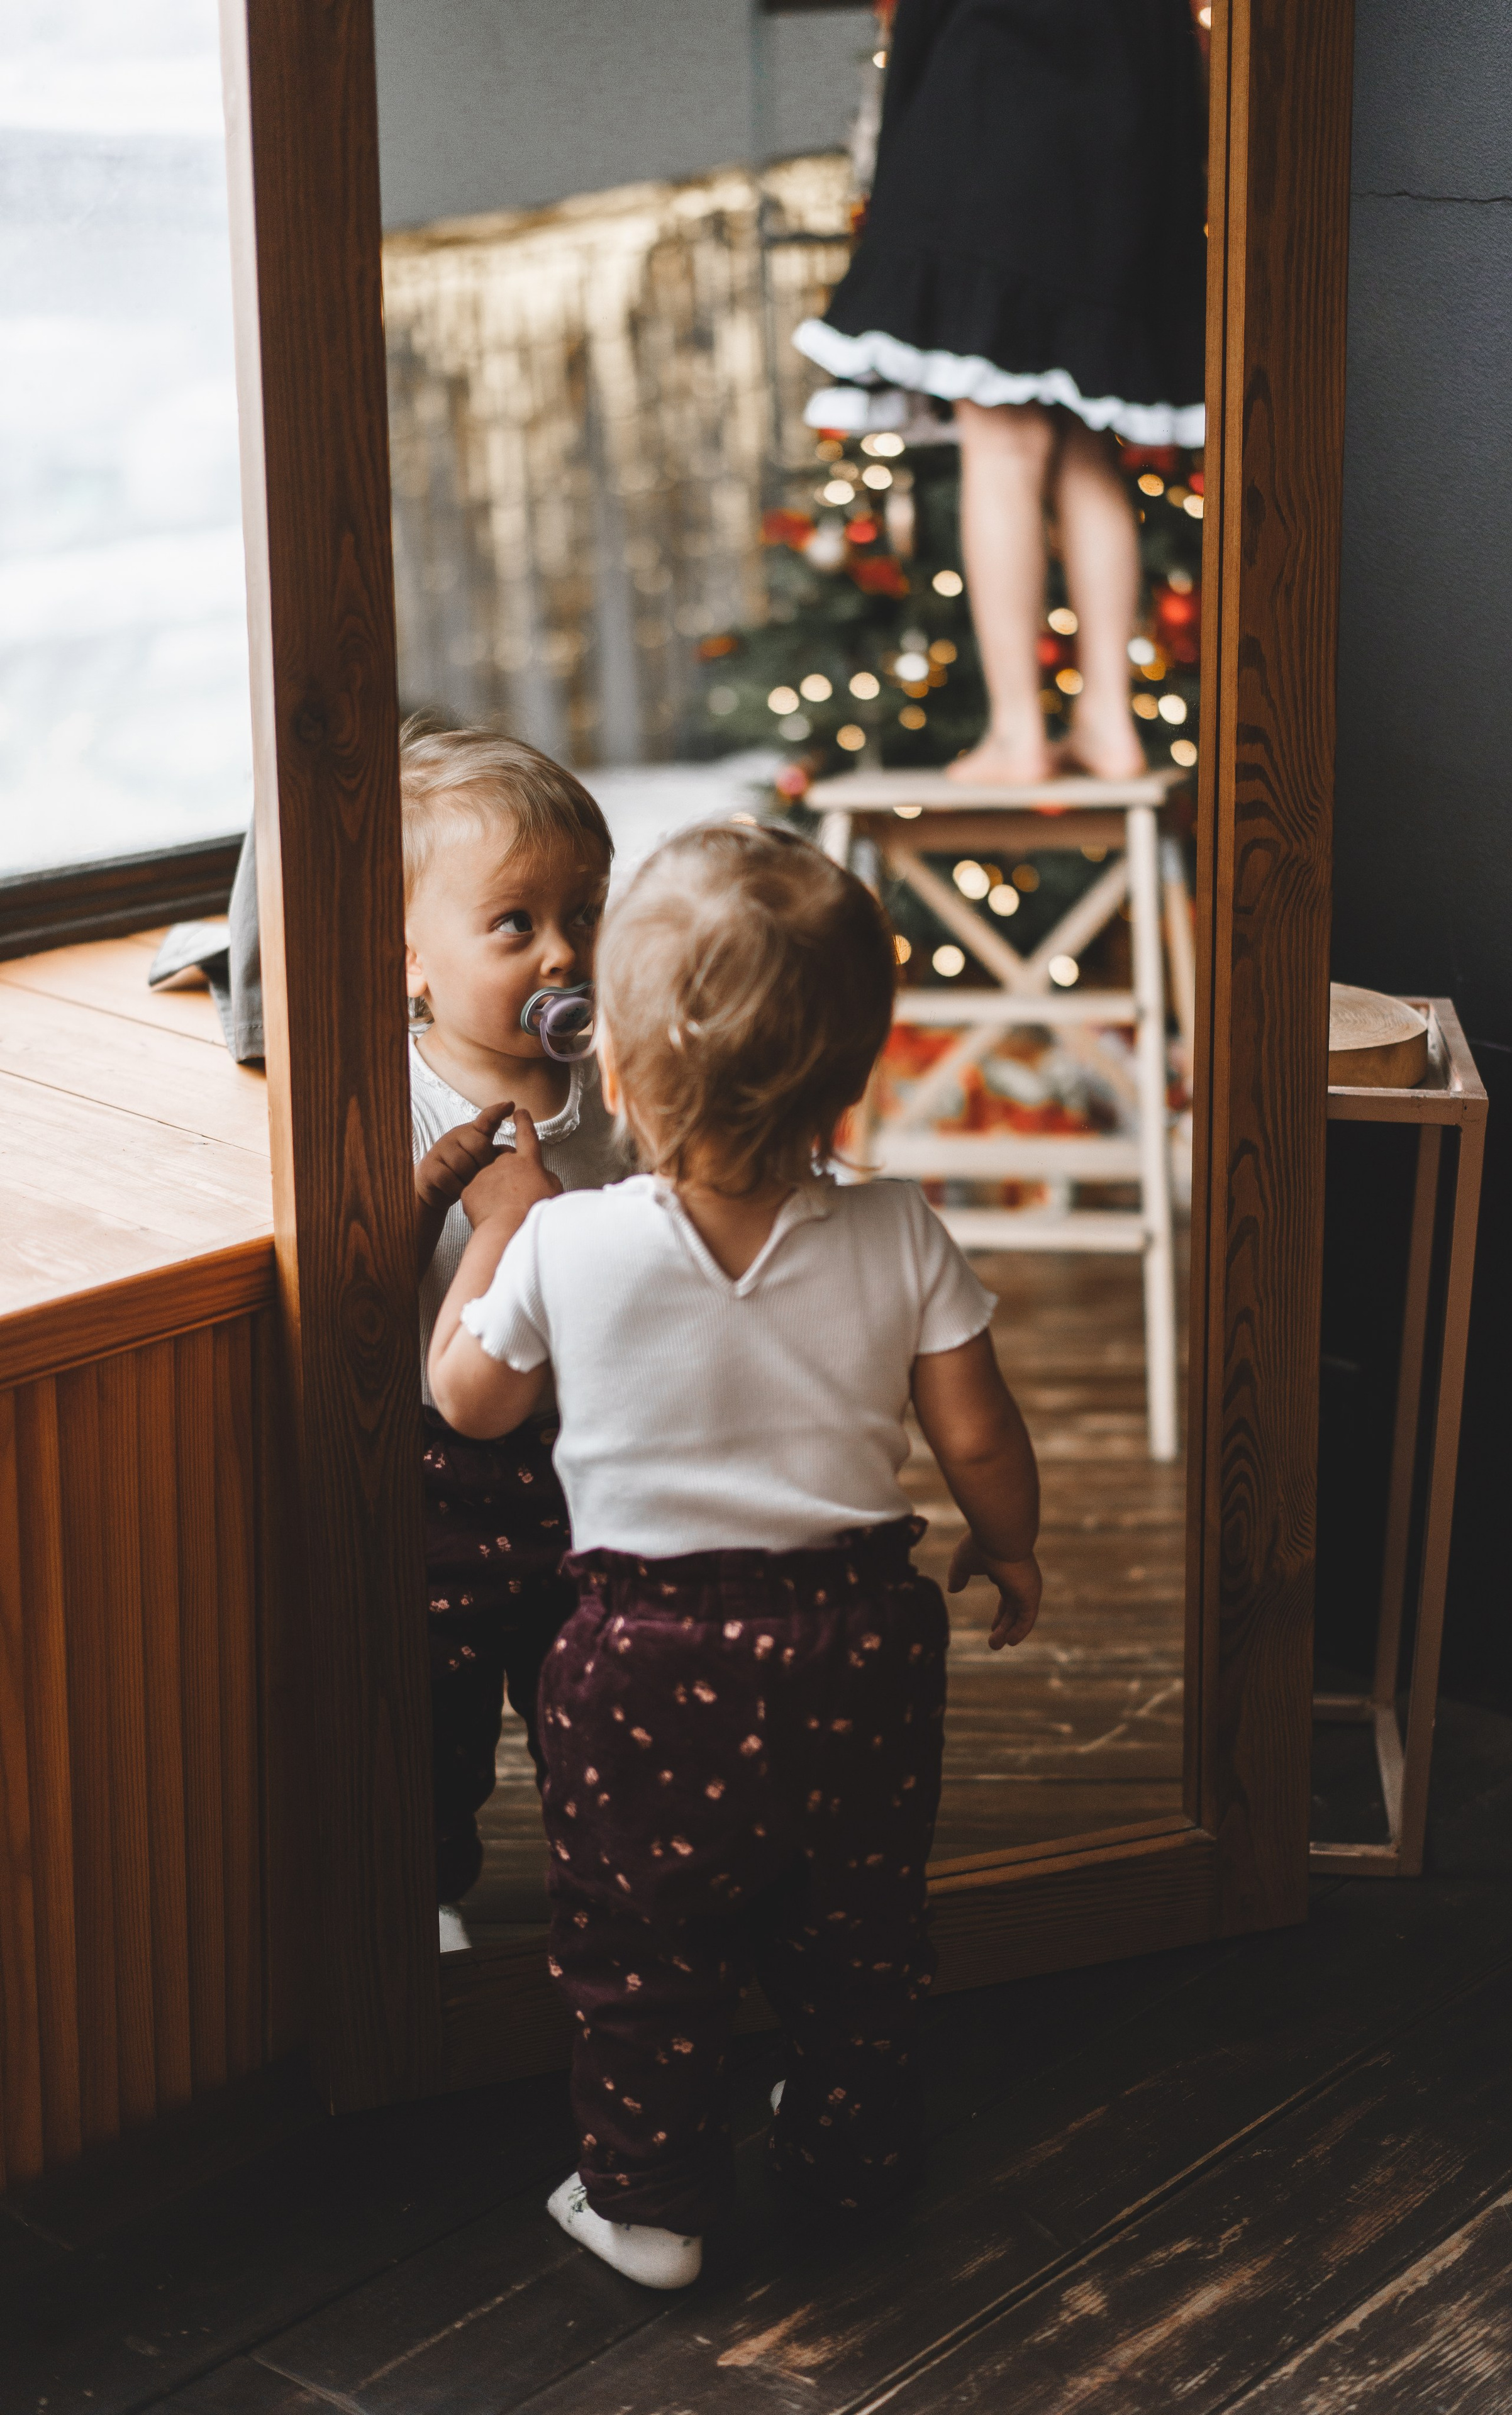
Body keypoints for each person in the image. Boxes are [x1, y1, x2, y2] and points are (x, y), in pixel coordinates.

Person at [428, 822, 1043, 2288]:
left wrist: (492, 1235)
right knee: (856, 1917)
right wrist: (1007, 1548)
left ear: (620, 1076)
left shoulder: (569, 1242)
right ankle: (849, 2151)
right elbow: (976, 1431)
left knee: (640, 1932)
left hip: (642, 1655)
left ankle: (647, 2204)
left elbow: (468, 1398)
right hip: (854, 1639)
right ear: (851, 1076)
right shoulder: (900, 1229)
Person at [794, 0, 1207, 782]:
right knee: (1083, 444)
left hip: (1000, 101)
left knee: (1002, 443)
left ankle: (1018, 730)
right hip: (1128, 116)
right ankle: (1107, 721)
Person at [402, 721, 632, 1953]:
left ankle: (605, 1865)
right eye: (514, 924)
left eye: (584, 914)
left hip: (586, 1451)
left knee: (588, 1688)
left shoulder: (616, 1091)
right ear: (412, 961)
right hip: (438, 1472)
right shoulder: (397, 1095)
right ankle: (428, 1886)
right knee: (434, 1702)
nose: (562, 952)